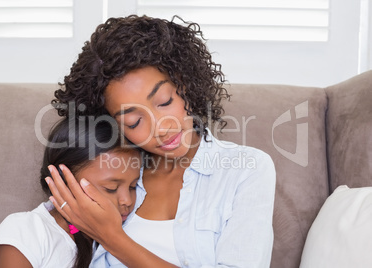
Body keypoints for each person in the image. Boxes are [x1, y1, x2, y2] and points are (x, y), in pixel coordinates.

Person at [46, 14, 276, 267]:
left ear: (184, 83)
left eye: (165, 102)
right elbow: (37, 234)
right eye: (134, 121)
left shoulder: (246, 169)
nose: (162, 129)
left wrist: (111, 237)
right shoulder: (109, 170)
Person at [0, 118, 142, 268]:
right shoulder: (29, 230)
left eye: (133, 187)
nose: (127, 200)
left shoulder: (109, 245)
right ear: (62, 181)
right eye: (110, 188)